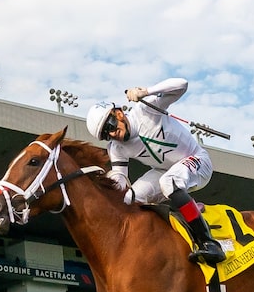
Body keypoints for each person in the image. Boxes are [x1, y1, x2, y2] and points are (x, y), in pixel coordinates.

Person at [85, 78, 225, 265]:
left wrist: (146, 91)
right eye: (105, 135)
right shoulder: (116, 148)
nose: (112, 135)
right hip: (163, 170)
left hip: (197, 159)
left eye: (109, 127)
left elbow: (182, 84)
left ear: (118, 113)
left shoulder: (146, 109)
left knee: (168, 182)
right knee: (129, 200)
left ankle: (208, 242)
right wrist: (106, 183)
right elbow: (121, 179)